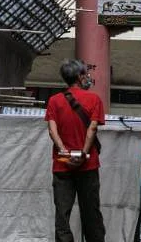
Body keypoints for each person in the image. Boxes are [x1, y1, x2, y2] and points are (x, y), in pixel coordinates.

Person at [46, 59, 107, 242]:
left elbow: (52, 130)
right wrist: (83, 153)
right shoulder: (94, 99)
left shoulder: (54, 100)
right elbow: (92, 128)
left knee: (62, 214)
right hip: (88, 165)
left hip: (62, 165)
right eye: (85, 74)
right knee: (91, 213)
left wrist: (64, 151)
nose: (87, 77)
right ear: (80, 77)